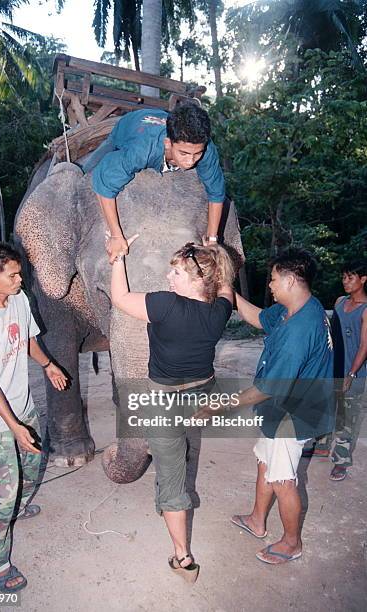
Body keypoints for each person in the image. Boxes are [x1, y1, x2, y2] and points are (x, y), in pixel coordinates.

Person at [110, 238, 234, 582]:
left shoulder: (166, 306)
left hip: (165, 400)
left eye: (177, 272)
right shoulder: (221, 310)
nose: (169, 276)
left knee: (172, 476)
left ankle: (184, 559)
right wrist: (214, 249)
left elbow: (120, 299)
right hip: (201, 393)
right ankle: (168, 490)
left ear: (199, 280)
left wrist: (117, 256)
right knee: (176, 452)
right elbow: (225, 286)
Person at [0, 242, 68, 593]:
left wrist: (49, 365)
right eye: (13, 275)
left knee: (33, 467)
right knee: (0, 494)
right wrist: (13, 426)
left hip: (22, 406)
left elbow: (28, 340)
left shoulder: (19, 299)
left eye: (20, 272)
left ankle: (17, 510)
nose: (20, 279)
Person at [228, 249, 334, 565]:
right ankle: (257, 520)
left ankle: (292, 542)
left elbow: (268, 388)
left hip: (296, 413)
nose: (270, 285)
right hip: (283, 408)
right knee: (265, 461)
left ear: (288, 279)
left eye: (273, 279)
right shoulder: (296, 308)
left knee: (283, 479)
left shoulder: (301, 329)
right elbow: (258, 317)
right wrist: (228, 292)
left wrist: (221, 405)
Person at [83, 103, 226, 263]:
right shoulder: (142, 149)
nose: (190, 161)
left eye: (197, 154)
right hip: (130, 127)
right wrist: (116, 235)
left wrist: (212, 241)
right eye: (184, 153)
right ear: (168, 143)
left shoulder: (207, 151)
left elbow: (216, 193)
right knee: (85, 173)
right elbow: (104, 182)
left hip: (158, 121)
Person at [314, 261, 367, 481]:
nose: (345, 281)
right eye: (344, 277)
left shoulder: (366, 309)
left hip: (353, 373)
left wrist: (351, 374)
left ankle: (341, 460)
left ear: (363, 279)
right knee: (327, 408)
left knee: (348, 419)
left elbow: (365, 346)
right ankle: (323, 444)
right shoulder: (339, 302)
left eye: (350, 277)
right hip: (332, 368)